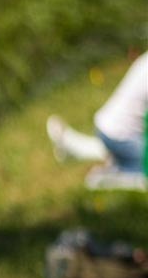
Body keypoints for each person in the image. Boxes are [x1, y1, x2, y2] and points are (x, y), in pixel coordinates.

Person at [46, 51, 147, 190]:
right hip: (120, 137)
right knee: (145, 173)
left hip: (107, 128)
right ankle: (107, 178)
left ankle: (74, 145)